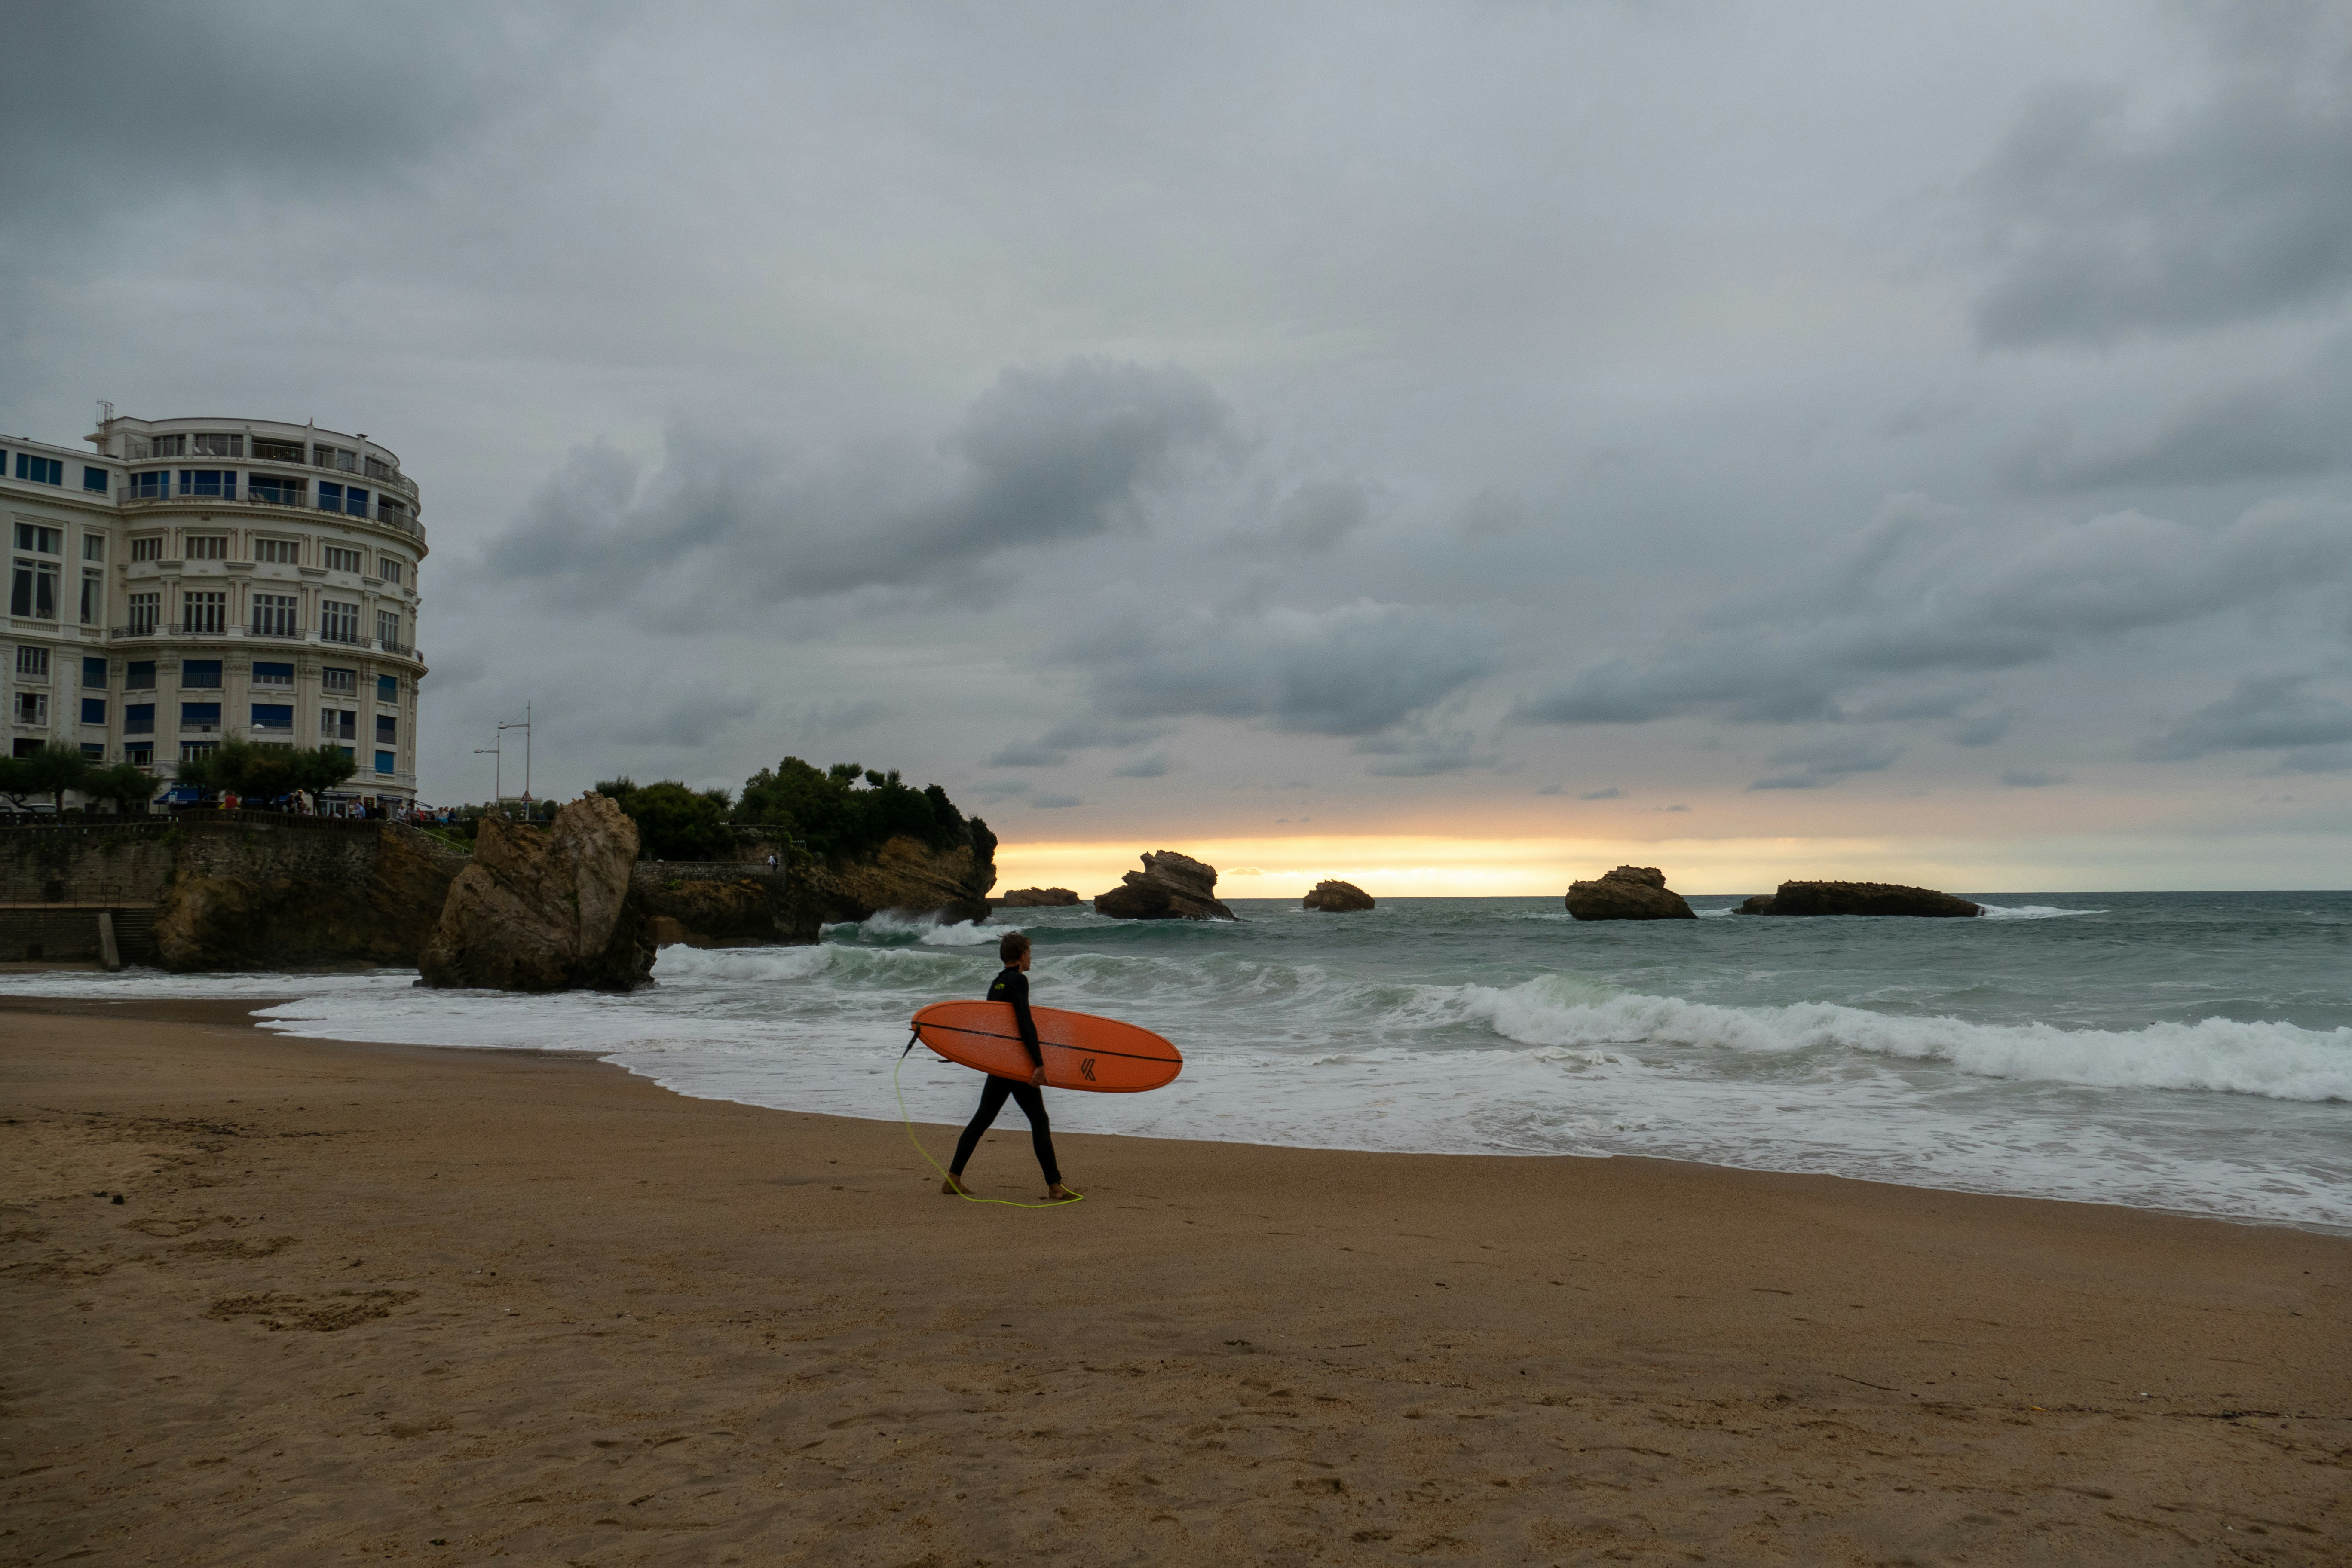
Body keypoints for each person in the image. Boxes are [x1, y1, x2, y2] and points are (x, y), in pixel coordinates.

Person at [944, 931, 1077, 1202]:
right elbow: (1025, 1024)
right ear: (1020, 956)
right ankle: (1055, 1187)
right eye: (1029, 952)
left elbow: (991, 1028)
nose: (1031, 957)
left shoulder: (998, 983)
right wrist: (1038, 1064)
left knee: (982, 1120)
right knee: (1039, 1120)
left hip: (1001, 1063)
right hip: (1016, 1064)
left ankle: (953, 1178)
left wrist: (966, 1052)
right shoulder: (1019, 980)